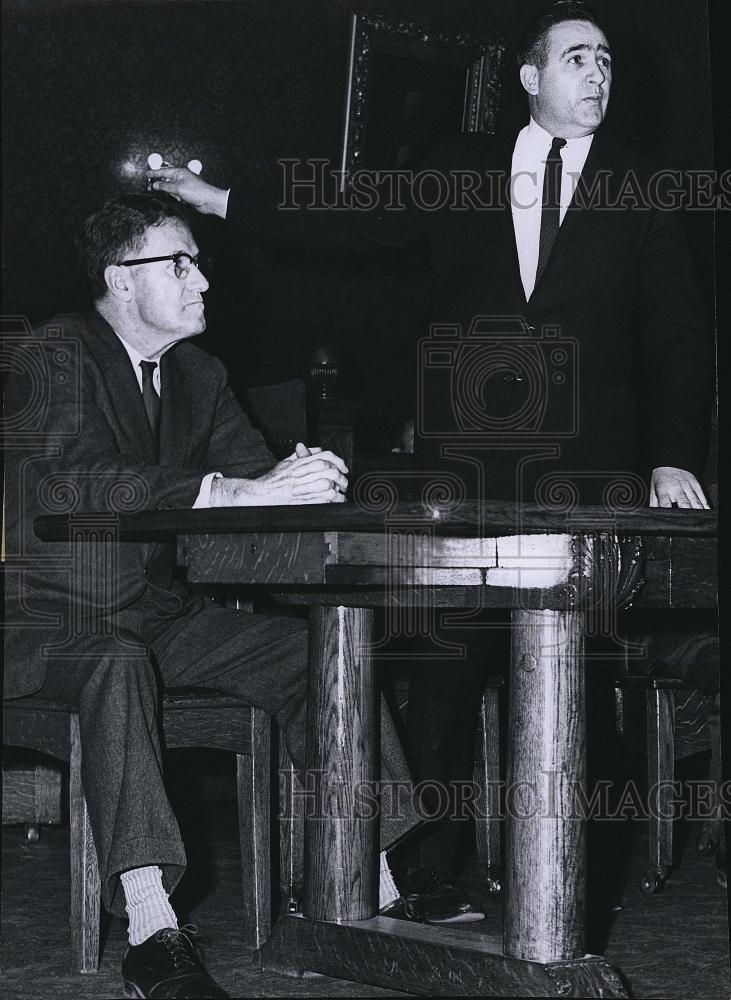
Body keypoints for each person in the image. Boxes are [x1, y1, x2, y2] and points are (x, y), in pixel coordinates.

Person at [146, 0, 713, 902]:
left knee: (588, 670)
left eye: (605, 59)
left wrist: (674, 455)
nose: (597, 73)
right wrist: (219, 199)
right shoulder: (464, 167)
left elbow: (680, 337)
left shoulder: (642, 189)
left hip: (590, 471)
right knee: (450, 667)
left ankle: (570, 890)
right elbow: (354, 219)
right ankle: (430, 876)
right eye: (576, 58)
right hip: (472, 460)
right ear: (530, 78)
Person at [2, 193, 479, 1000]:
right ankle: (152, 929)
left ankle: (376, 882)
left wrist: (313, 495)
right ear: (121, 279)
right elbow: (71, 485)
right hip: (46, 620)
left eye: (199, 264)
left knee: (312, 655)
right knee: (117, 663)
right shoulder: (56, 351)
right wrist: (225, 490)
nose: (201, 283)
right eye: (178, 264)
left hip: (158, 616)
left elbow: (257, 498)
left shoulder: (200, 374)